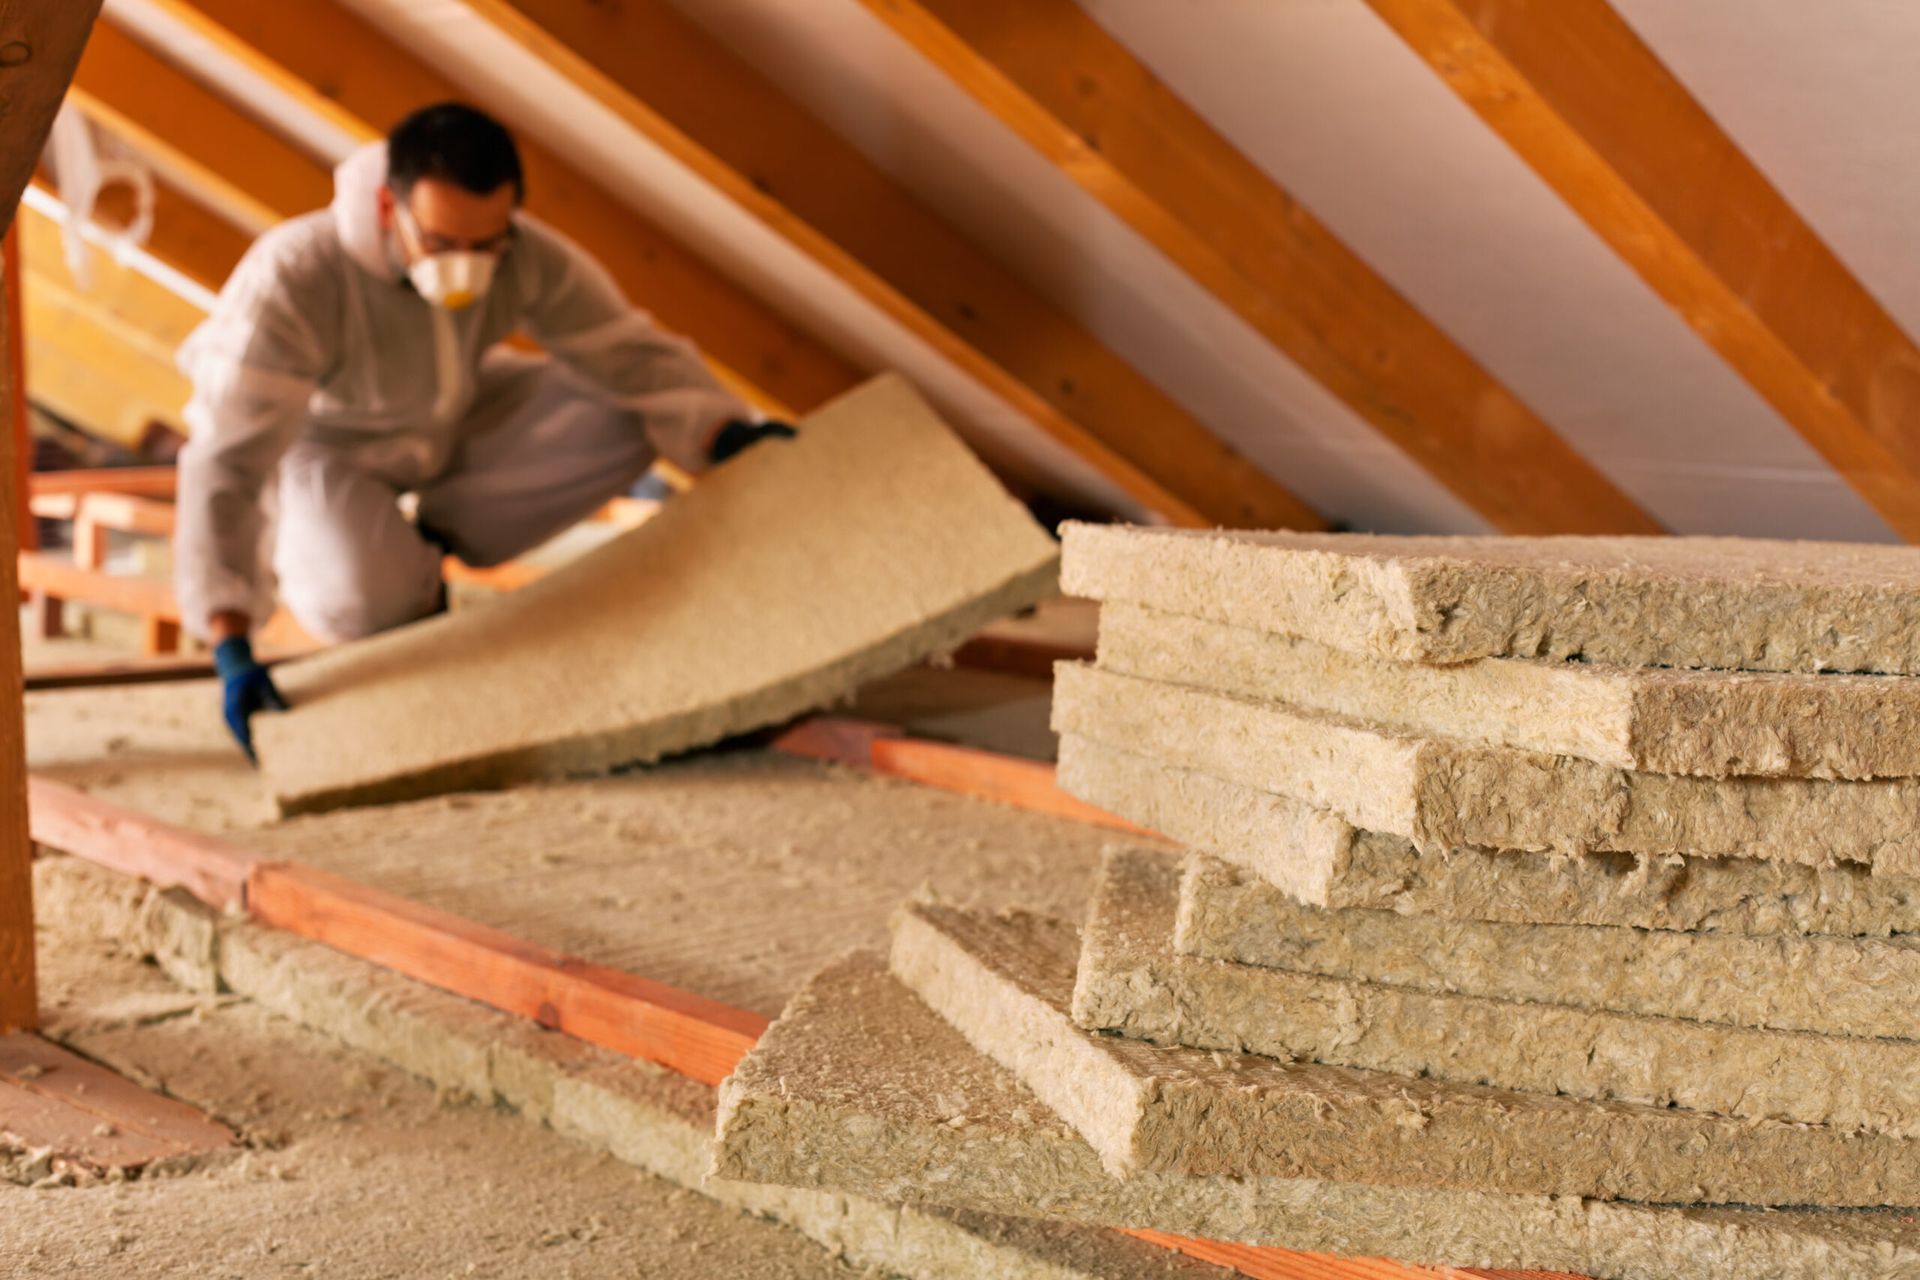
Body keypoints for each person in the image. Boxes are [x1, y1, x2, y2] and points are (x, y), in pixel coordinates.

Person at [174, 103, 794, 761]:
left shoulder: (524, 254)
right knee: (361, 596)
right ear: (389, 206)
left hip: (453, 417)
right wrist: (230, 637)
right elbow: (229, 457)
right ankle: (397, 579)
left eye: (485, 245)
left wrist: (725, 433)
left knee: (630, 402)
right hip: (327, 448)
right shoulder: (297, 274)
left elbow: (630, 352)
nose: (464, 264)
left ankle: (430, 543)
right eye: (441, 244)